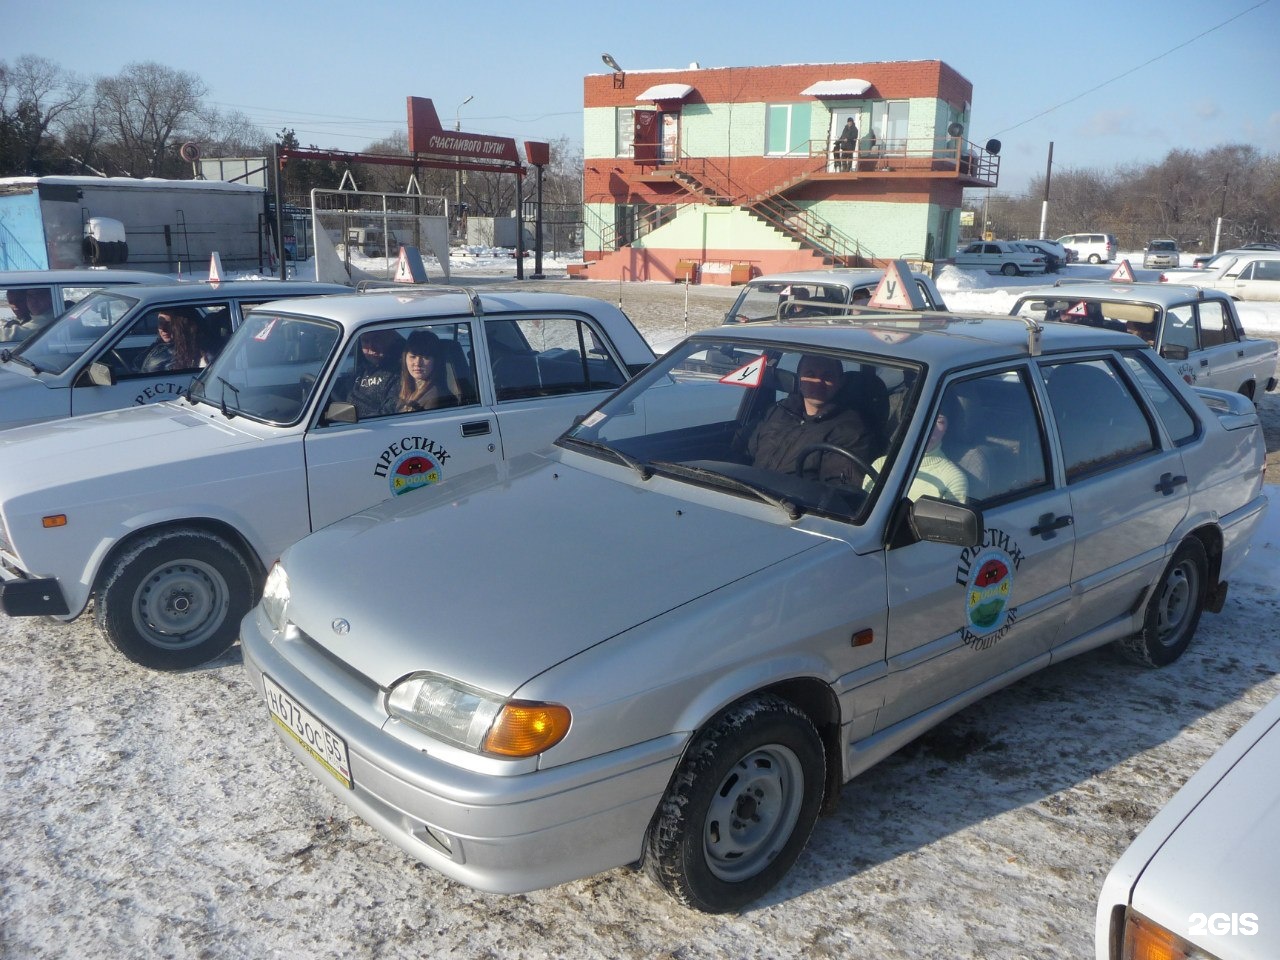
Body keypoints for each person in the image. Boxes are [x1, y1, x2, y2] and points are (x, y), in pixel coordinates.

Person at [747, 353, 875, 485]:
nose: (818, 382)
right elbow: (743, 452)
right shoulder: (777, 411)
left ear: (840, 382)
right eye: (810, 375)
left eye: (827, 376)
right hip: (743, 495)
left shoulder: (850, 431)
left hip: (788, 504)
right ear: (799, 380)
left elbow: (835, 494)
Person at [867, 392, 968, 503]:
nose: (929, 428)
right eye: (921, 418)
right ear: (907, 422)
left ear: (947, 428)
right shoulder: (880, 465)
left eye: (940, 421)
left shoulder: (953, 479)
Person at [384, 329, 460, 414]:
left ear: (435, 361)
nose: (418, 363)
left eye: (425, 357)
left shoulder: (435, 398)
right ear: (405, 358)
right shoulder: (407, 389)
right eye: (413, 356)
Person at [348, 328, 404, 417]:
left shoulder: (400, 374)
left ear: (390, 340)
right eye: (365, 341)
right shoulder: (362, 370)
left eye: (377, 339)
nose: (371, 347)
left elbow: (388, 413)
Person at [138, 308, 204, 373]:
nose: (163, 329)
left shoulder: (183, 354)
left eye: (169, 324)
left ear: (182, 327)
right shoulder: (160, 344)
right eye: (160, 323)